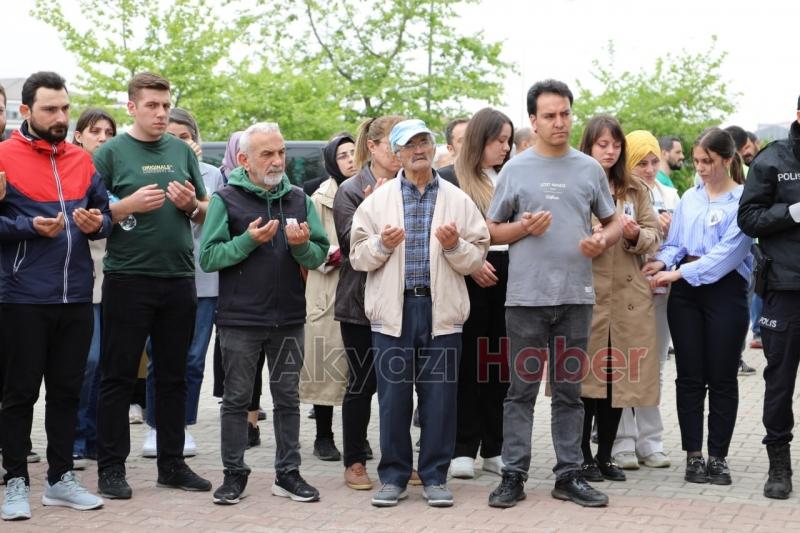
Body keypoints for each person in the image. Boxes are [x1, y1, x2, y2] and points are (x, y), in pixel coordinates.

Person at [485, 79, 619, 509]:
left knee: (569, 393)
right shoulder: (515, 169)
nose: (559, 122)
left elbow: (613, 221)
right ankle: (513, 475)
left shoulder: (589, 169)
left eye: (565, 114)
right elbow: (491, 230)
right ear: (533, 120)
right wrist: (523, 227)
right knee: (520, 392)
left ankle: (569, 475)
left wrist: (602, 240)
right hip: (526, 299)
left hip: (576, 297)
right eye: (549, 116)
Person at [350, 119, 489, 508]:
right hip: (393, 312)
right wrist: (381, 244)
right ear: (397, 154)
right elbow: (357, 257)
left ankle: (434, 477)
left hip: (441, 310)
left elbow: (477, 255)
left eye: (424, 142)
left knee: (440, 400)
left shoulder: (458, 200)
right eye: (409, 145)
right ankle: (393, 477)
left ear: (433, 147)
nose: (419, 150)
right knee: (393, 400)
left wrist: (454, 245)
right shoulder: (376, 201)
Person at [93, 72, 211, 499]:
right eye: (152, 106)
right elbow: (90, 216)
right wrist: (126, 205)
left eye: (165, 105)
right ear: (132, 107)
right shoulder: (109, 153)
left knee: (174, 377)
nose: (161, 113)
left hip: (178, 278)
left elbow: (206, 210)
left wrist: (191, 205)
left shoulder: (181, 150)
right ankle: (111, 469)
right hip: (127, 278)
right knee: (118, 376)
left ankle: (172, 464)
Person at [200, 122, 328, 505]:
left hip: (289, 318)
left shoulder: (299, 199)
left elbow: (318, 254)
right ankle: (233, 475)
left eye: (281, 152)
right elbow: (209, 257)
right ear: (244, 160)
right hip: (240, 320)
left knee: (288, 399)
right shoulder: (226, 198)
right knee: (236, 400)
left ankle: (288, 474)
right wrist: (247, 241)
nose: (277, 161)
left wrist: (301, 246)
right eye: (267, 154)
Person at [0, 71, 109, 520]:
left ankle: (61, 479)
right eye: (50, 109)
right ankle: (15, 482)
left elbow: (104, 213)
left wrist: (98, 223)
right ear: (26, 111)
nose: (61, 117)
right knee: (19, 394)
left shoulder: (82, 160)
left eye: (65, 107)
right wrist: (28, 226)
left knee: (67, 392)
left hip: (76, 296)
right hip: (22, 297)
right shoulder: (3, 157)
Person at [644, 127, 752, 486]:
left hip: (725, 291)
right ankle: (693, 454)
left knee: (722, 376)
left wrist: (678, 273)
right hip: (686, 295)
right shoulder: (689, 198)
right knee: (689, 376)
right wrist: (661, 262)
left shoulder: (743, 201)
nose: (701, 168)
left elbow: (727, 255)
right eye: (696, 161)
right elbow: (676, 243)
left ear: (728, 160)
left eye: (708, 161)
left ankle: (718, 456)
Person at [576, 118, 661, 483]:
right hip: (586, 291)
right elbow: (558, 232)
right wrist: (588, 232)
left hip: (627, 295)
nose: (610, 151)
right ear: (588, 146)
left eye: (615, 145)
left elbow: (654, 234)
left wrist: (634, 234)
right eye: (602, 144)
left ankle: (605, 455)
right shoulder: (575, 182)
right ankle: (580, 455)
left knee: (616, 379)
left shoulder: (634, 188)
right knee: (584, 380)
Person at [140, 108, 225, 458]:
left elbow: (215, 222)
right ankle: (155, 426)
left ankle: (183, 425)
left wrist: (191, 189)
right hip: (158, 274)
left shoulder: (213, 175)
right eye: (171, 138)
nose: (178, 143)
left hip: (202, 280)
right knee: (158, 355)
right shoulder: (148, 170)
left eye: (185, 137)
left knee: (192, 358)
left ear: (196, 140)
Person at [334, 115, 404, 491]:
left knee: (401, 384)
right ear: (373, 147)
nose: (399, 152)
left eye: (404, 143)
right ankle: (355, 460)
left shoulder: (414, 184)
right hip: (360, 303)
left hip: (405, 300)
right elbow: (350, 245)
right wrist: (375, 206)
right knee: (362, 384)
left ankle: (400, 460)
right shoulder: (351, 189)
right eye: (392, 144)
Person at [737, 95, 800, 499]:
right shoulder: (773, 159)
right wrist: (792, 212)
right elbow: (747, 218)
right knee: (780, 382)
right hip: (785, 290)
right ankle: (779, 465)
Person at [449, 108, 513, 480]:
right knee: (468, 365)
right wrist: (472, 262)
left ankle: (495, 447)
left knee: (499, 366)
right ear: (480, 139)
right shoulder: (451, 178)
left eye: (508, 141)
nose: (505, 147)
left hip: (508, 274)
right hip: (467, 276)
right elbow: (443, 233)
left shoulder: (509, 176)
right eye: (498, 140)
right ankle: (462, 448)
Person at [611, 130, 678, 471]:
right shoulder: (619, 194)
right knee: (624, 365)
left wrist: (667, 242)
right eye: (641, 163)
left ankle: (651, 441)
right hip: (625, 291)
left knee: (655, 366)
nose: (650, 169)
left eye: (654, 162)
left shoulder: (671, 194)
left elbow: (681, 242)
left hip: (660, 290)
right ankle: (622, 441)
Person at [300, 134, 357, 462]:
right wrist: (342, 254)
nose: (349, 160)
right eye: (342, 155)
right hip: (328, 289)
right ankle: (323, 436)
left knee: (361, 370)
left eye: (353, 153)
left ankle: (357, 438)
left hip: (364, 288)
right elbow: (309, 246)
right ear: (331, 162)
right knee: (324, 364)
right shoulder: (317, 197)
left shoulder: (372, 191)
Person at [71, 108, 117, 470]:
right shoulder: (71, 170)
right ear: (78, 136)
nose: (102, 138)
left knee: (104, 363)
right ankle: (75, 436)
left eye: (108, 132)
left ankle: (93, 439)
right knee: (86, 360)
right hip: (79, 279)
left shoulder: (116, 170)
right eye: (94, 131)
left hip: (115, 278)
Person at [436, 118, 469, 185]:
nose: (470, 143)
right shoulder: (442, 179)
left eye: (473, 137)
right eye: (462, 140)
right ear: (451, 149)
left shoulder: (491, 172)